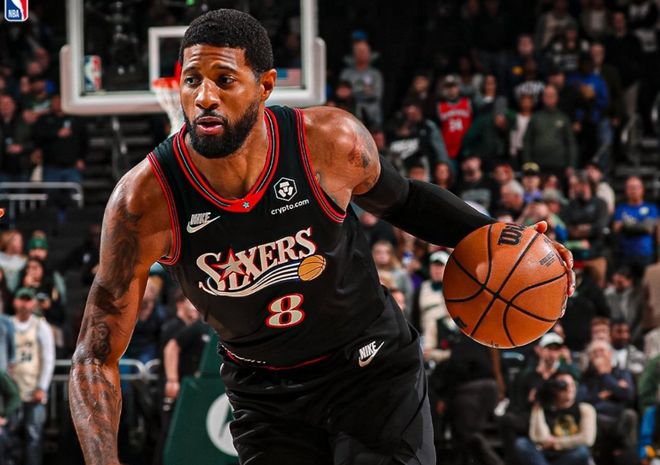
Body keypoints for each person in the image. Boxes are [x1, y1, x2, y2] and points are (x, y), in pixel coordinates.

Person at [68, 10, 574, 465]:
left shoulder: (328, 143)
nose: (204, 97)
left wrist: (516, 245)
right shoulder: (144, 201)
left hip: (370, 370)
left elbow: (406, 202)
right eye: (191, 79)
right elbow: (94, 355)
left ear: (265, 86)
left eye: (224, 80)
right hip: (265, 396)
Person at [513, 370, 596, 465]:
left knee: (582, 451)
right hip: (547, 455)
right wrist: (538, 406)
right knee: (521, 443)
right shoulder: (545, 408)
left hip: (570, 454)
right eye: (563, 385)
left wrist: (556, 443)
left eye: (573, 385)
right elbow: (538, 438)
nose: (569, 389)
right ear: (554, 389)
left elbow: (587, 439)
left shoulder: (585, 409)